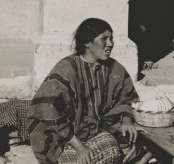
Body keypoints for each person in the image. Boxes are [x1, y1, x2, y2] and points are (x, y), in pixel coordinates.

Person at [27, 18, 152, 164]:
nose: (110, 44)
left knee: (138, 139)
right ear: (87, 42)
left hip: (100, 131)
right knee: (111, 151)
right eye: (104, 39)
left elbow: (127, 98)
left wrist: (126, 120)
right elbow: (47, 108)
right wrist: (80, 147)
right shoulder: (67, 68)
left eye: (111, 39)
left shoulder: (115, 68)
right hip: (65, 139)